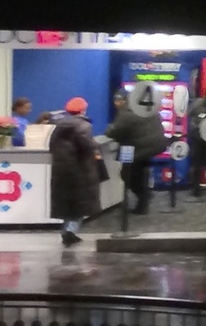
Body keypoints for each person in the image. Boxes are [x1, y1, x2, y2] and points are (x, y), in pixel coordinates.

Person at [48, 96, 102, 246]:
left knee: (67, 206)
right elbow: (87, 146)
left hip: (61, 172)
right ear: (83, 109)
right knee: (79, 207)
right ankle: (70, 232)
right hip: (81, 171)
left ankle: (66, 231)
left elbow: (51, 147)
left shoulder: (58, 126)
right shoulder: (84, 126)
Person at [105, 90, 165, 218]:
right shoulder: (146, 107)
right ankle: (143, 200)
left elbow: (113, 133)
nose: (116, 103)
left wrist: (110, 128)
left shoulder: (126, 114)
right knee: (140, 171)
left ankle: (144, 196)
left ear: (125, 101)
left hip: (140, 148)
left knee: (127, 175)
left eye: (119, 101)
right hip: (155, 145)